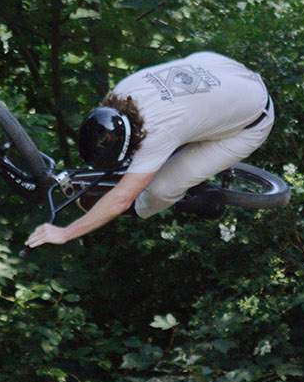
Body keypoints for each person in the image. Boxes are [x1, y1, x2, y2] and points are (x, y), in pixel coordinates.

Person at [24, 51, 275, 248]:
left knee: (160, 188)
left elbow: (121, 199)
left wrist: (66, 233)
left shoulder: (159, 133)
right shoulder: (121, 93)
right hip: (220, 69)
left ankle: (146, 207)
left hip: (252, 119)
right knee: (162, 148)